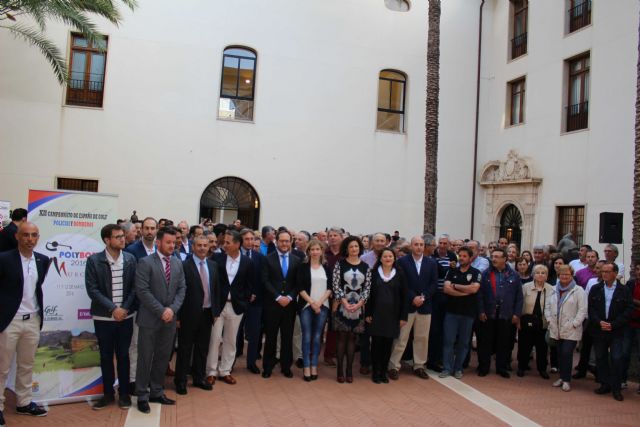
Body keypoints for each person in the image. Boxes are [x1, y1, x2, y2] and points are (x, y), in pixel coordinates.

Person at [0, 222, 50, 422]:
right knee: (2, 367)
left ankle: (24, 403)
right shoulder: (4, 259)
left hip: (32, 321)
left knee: (26, 365)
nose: (30, 239)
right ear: (17, 237)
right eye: (26, 235)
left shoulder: (43, 260)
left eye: (34, 235)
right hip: (9, 321)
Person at [134, 226, 186, 414]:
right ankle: (141, 394)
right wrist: (161, 310)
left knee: (163, 357)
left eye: (174, 242)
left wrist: (171, 310)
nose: (172, 245)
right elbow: (142, 291)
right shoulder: (145, 263)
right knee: (145, 358)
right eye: (168, 242)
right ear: (158, 243)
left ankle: (156, 391)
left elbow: (182, 289)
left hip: (169, 320)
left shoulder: (178, 263)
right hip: (150, 319)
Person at [85, 224, 137, 409]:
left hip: (125, 317)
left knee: (124, 355)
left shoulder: (130, 259)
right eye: (118, 237)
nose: (123, 239)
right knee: (105, 356)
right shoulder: (94, 261)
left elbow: (134, 288)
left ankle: (124, 394)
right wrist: (112, 309)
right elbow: (93, 290)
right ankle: (107, 393)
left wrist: (123, 308)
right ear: (107, 240)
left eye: (123, 236)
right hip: (103, 318)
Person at [174, 235, 220, 395]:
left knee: (202, 348)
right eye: (199, 245)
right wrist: (178, 316)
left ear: (209, 247)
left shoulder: (213, 266)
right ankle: (180, 381)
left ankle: (199, 378)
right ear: (193, 247)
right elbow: (178, 292)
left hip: (207, 314)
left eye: (205, 245)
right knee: (185, 348)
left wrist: (215, 311)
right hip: (188, 314)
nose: (202, 248)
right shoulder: (184, 265)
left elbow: (215, 290)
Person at [206, 230, 252, 385]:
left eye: (227, 242)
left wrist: (244, 301)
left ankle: (225, 370)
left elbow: (249, 285)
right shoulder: (217, 258)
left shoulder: (247, 262)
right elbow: (211, 282)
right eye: (224, 242)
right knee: (214, 339)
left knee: (231, 340)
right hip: (218, 306)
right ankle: (211, 371)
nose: (224, 245)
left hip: (236, 307)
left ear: (237, 244)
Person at [388, 236, 437, 380]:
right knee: (401, 338)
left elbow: (434, 284)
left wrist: (423, 297)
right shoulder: (402, 262)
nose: (419, 247)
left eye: (421, 244)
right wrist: (412, 297)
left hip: (425, 306)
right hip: (407, 306)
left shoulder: (431, 263)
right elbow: (402, 283)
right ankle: (393, 366)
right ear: (411, 246)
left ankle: (419, 365)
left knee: (422, 338)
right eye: (416, 244)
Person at [589, 262, 633, 401]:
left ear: (615, 273)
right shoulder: (596, 288)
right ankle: (604, 383)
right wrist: (599, 322)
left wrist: (613, 324)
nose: (604, 274)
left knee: (616, 358)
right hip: (600, 329)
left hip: (616, 331)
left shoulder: (624, 290)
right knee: (601, 357)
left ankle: (616, 388)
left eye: (607, 272)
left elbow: (628, 310)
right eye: (603, 271)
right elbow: (591, 308)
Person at [476, 248, 523, 378]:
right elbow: (479, 295)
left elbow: (519, 297)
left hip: (506, 314)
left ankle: (501, 368)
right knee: (485, 342)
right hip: (489, 313)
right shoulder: (485, 274)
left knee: (504, 343)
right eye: (492, 256)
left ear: (505, 259)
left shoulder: (514, 275)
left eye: (497, 256)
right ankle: (483, 367)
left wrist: (516, 314)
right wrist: (480, 310)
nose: (494, 259)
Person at [262, 230, 301, 378]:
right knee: (270, 337)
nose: (284, 244)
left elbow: (298, 283)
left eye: (287, 241)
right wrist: (278, 297)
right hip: (272, 304)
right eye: (282, 241)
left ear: (290, 242)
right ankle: (267, 366)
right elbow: (265, 281)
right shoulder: (268, 259)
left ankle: (286, 366)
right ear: (276, 242)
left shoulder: (296, 260)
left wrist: (290, 297)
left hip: (289, 306)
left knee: (287, 336)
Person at [332, 235, 371, 383]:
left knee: (352, 339)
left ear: (360, 248)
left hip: (358, 308)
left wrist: (360, 303)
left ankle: (349, 370)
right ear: (346, 249)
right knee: (341, 338)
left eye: (356, 246)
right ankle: (340, 371)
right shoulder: (340, 264)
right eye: (351, 247)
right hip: (343, 307)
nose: (354, 249)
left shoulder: (365, 267)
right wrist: (344, 302)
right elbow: (336, 285)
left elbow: (367, 288)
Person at [365, 248, 408, 384]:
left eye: (390, 256)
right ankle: (376, 372)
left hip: (393, 315)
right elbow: (368, 296)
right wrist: (368, 313)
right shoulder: (373, 274)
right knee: (376, 344)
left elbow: (404, 297)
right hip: (376, 315)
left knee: (388, 344)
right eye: (385, 256)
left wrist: (403, 316)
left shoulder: (400, 274)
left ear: (394, 258)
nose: (388, 258)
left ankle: (383, 371)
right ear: (380, 259)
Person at [440, 247, 481, 379]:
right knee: (448, 341)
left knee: (463, 343)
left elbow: (474, 289)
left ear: (470, 258)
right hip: (451, 312)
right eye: (460, 256)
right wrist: (465, 292)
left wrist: (456, 286)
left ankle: (458, 368)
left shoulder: (476, 272)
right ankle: (447, 368)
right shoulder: (451, 271)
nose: (462, 258)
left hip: (468, 313)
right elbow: (446, 289)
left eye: (464, 256)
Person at [545, 265, 587, 392]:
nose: (564, 277)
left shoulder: (579, 290)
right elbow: (547, 306)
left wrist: (575, 323)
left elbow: (583, 310)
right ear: (558, 276)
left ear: (571, 275)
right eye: (562, 274)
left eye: (567, 274)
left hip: (571, 329)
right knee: (559, 353)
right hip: (556, 327)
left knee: (567, 353)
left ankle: (567, 380)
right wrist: (549, 319)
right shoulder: (553, 289)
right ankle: (561, 377)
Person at [296, 239, 332, 381]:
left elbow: (330, 288)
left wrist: (320, 303)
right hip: (306, 306)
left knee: (317, 338)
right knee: (306, 337)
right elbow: (300, 287)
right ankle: (306, 366)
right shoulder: (303, 267)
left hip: (323, 306)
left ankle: (314, 365)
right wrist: (312, 303)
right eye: (312, 249)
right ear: (309, 251)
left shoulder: (326, 267)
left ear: (322, 251)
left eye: (318, 249)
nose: (315, 252)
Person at [517, 264, 554, 379]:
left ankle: (542, 369)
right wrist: (518, 320)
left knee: (542, 348)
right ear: (533, 275)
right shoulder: (526, 287)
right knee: (524, 346)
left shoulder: (551, 289)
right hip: (526, 321)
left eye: (543, 273)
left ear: (547, 276)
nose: (540, 275)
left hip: (543, 323)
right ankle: (521, 367)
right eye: (537, 272)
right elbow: (519, 304)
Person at [239, 228, 266, 374]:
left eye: (252, 239)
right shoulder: (234, 256)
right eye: (247, 239)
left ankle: (251, 362)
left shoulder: (259, 257)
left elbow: (262, 279)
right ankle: (230, 362)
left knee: (255, 333)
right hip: (238, 300)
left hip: (255, 301)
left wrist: (254, 293)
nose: (250, 242)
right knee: (235, 332)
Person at [428, 234, 457, 372]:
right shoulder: (432, 257)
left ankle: (441, 358)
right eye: (440, 242)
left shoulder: (452, 257)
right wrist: (448, 269)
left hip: (448, 297)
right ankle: (432, 359)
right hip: (435, 297)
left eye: (445, 243)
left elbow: (453, 274)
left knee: (446, 330)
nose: (442, 245)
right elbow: (439, 272)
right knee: (435, 329)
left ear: (449, 244)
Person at [359, 232, 386, 375]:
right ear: (372, 243)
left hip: (384, 302)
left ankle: (379, 363)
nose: (380, 243)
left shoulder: (389, 257)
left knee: (380, 334)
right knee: (365, 334)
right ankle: (364, 362)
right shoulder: (364, 258)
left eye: (382, 241)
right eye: (377, 241)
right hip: (367, 300)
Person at [323, 227, 344, 367]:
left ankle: (330, 353)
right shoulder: (323, 253)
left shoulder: (345, 255)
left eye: (335, 235)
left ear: (341, 237)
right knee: (319, 325)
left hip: (340, 295)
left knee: (334, 325)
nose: (332, 238)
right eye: (330, 235)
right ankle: (314, 353)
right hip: (322, 294)